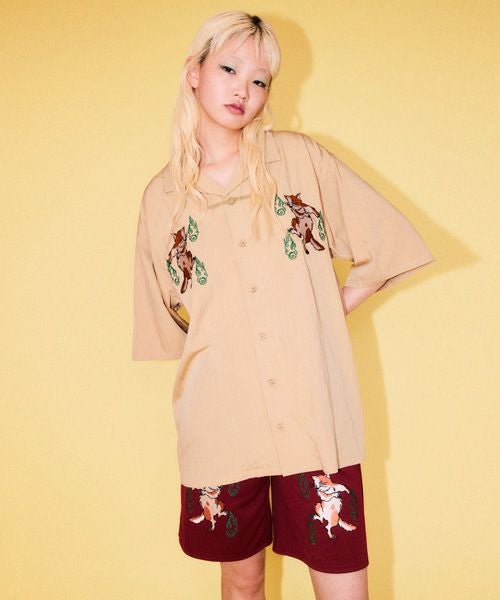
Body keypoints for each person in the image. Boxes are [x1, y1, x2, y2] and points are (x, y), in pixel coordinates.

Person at [132, 10, 435, 600]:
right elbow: (168, 320)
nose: (243, 90)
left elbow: (388, 244)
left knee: (343, 584)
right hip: (221, 422)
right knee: (242, 581)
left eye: (260, 79)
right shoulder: (161, 198)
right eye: (228, 69)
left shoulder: (300, 162)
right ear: (193, 72)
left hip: (312, 412)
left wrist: (322, 311)